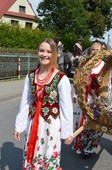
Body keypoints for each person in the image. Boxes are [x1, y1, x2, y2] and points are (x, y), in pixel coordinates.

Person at [14, 38, 73, 169]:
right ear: (37, 52)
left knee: (49, 156)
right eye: (42, 50)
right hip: (33, 122)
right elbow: (25, 102)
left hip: (51, 125)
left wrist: (67, 132)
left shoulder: (61, 78)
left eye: (48, 51)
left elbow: (66, 107)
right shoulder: (30, 76)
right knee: (33, 153)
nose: (44, 54)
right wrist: (19, 126)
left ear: (54, 54)